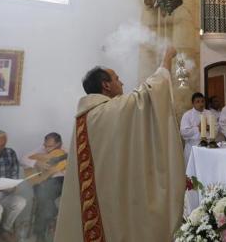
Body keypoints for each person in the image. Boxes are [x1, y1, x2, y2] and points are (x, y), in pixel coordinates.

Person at [54, 47, 184, 242]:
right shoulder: (109, 111)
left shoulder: (86, 117)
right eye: (117, 79)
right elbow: (150, 92)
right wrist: (167, 57)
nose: (121, 82)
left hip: (100, 198)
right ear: (106, 85)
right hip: (112, 199)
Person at [21, 132, 65, 242]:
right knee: (42, 193)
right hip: (41, 181)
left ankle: (40, 233)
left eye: (49, 146)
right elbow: (22, 159)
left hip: (59, 182)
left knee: (44, 195)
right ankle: (52, 214)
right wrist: (36, 163)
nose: (46, 148)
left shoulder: (66, 152)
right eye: (45, 145)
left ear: (58, 144)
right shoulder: (42, 148)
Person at [180, 93, 212, 163]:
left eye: (202, 101)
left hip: (207, 146)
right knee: (193, 172)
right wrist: (198, 128)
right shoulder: (187, 115)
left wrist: (209, 128)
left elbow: (216, 128)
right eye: (198, 101)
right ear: (193, 103)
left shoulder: (209, 113)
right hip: (193, 147)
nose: (201, 104)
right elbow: (183, 132)